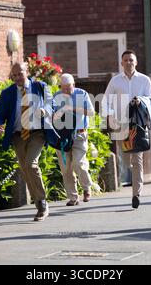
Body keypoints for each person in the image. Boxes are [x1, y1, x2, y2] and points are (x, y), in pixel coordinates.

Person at [0, 62, 53, 221]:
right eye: (14, 75)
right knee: (24, 169)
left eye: (20, 74)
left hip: (37, 133)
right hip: (17, 135)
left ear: (26, 72)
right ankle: (38, 201)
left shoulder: (40, 87)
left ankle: (41, 202)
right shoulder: (7, 93)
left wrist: (44, 111)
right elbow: (0, 115)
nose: (17, 78)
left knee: (30, 164)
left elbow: (51, 105)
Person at [102, 49, 151, 209]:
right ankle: (130, 181)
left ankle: (136, 194)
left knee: (137, 159)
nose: (128, 63)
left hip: (137, 125)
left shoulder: (145, 80)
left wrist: (141, 101)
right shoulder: (115, 81)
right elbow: (105, 101)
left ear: (136, 62)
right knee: (126, 159)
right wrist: (111, 116)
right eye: (125, 60)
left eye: (131, 60)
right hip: (120, 125)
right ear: (121, 63)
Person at [52, 73, 95, 206]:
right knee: (66, 168)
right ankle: (72, 197)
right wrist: (58, 113)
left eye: (68, 87)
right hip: (63, 136)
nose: (66, 90)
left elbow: (92, 112)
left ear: (74, 85)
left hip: (79, 135)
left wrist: (72, 108)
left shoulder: (82, 94)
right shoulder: (56, 97)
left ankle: (87, 188)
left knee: (78, 163)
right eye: (63, 88)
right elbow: (53, 117)